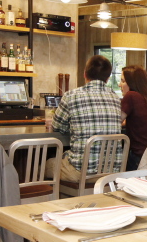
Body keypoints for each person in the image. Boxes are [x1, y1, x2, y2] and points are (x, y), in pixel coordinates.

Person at [47, 54, 122, 182]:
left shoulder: (71, 95)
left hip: (80, 171)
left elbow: (57, 127)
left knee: (45, 165)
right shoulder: (115, 97)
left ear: (84, 74)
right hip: (110, 172)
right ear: (108, 78)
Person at [120, 65, 147, 170]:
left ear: (132, 82)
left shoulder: (131, 95)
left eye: (123, 81)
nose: (119, 84)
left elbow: (116, 121)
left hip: (138, 158)